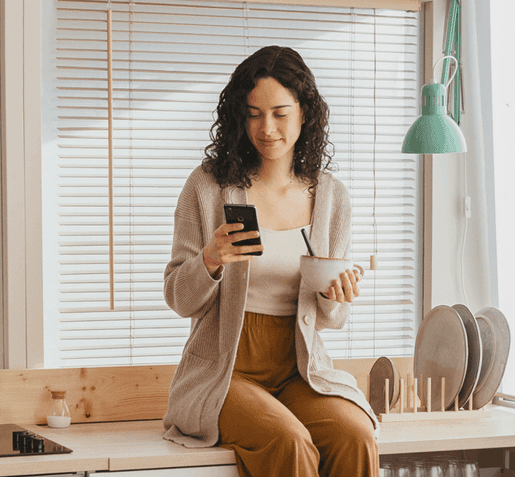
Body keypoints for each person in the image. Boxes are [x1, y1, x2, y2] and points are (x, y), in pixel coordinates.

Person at [162, 45, 380, 477]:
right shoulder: (207, 187)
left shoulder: (331, 196)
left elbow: (331, 319)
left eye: (280, 113)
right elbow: (178, 298)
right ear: (238, 118)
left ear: (305, 113)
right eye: (254, 113)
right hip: (224, 372)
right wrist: (210, 259)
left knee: (355, 433)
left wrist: (339, 296)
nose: (267, 128)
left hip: (302, 371)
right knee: (289, 440)